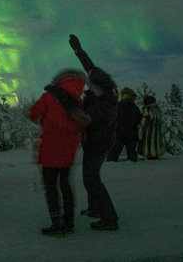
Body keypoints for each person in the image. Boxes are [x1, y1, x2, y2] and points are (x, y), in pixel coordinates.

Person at [27, 68, 88, 237]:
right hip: (68, 153)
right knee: (66, 185)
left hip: (49, 151)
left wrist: (45, 122)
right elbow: (82, 124)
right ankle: (69, 222)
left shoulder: (49, 97)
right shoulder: (78, 101)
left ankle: (57, 223)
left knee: (51, 188)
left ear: (60, 81)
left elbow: (33, 113)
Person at [69, 34, 120, 231]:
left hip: (98, 145)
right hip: (97, 142)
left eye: (91, 83)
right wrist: (78, 50)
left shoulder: (104, 103)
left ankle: (109, 218)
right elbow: (89, 66)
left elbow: (83, 116)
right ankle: (94, 209)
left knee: (91, 179)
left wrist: (65, 99)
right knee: (91, 177)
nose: (87, 84)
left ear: (99, 85)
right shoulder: (103, 89)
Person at [108, 87, 142, 162]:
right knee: (132, 154)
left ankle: (111, 167)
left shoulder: (118, 106)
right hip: (132, 133)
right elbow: (139, 120)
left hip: (119, 133)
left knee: (113, 154)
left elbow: (112, 119)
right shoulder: (135, 107)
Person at [139, 95, 164, 160]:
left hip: (149, 131)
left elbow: (144, 121)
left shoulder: (147, 109)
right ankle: (156, 154)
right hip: (157, 130)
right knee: (156, 142)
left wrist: (141, 130)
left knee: (149, 143)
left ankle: (150, 155)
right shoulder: (158, 109)